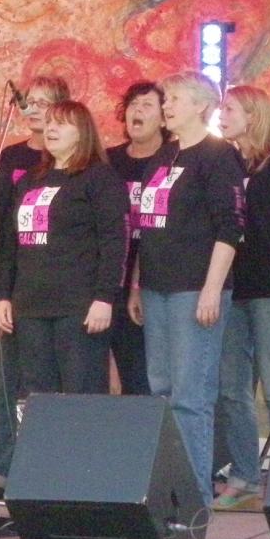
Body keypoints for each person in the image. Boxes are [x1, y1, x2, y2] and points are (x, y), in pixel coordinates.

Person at [134, 70, 245, 499]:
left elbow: (230, 226)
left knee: (190, 396)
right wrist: (136, 287)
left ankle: (195, 494)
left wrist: (212, 288)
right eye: (167, 98)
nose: (166, 105)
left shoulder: (218, 156)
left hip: (193, 290)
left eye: (175, 98)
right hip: (156, 288)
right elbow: (146, 228)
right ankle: (167, 491)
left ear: (202, 105)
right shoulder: (162, 158)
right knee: (161, 391)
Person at [213, 85, 270, 509]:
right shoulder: (226, 162)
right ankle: (245, 476)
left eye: (230, 108)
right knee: (232, 387)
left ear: (253, 114)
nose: (222, 114)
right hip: (233, 288)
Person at [0, 100, 126, 394]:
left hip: (78, 307)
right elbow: (10, 242)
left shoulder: (98, 177)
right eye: (50, 122)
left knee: (80, 395)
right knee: (37, 396)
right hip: (30, 306)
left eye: (62, 123)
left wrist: (105, 297)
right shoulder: (30, 180)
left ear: (82, 133)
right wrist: (3, 294)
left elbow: (114, 240)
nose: (51, 128)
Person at [0, 76, 69, 470]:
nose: (34, 109)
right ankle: (12, 465)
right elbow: (2, 228)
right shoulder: (10, 158)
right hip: (18, 282)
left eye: (45, 102)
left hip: (60, 287)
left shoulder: (71, 160)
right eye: (30, 102)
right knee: (16, 380)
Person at [105, 80, 166, 395]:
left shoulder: (173, 160)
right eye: (133, 105)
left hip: (157, 276)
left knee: (148, 372)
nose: (137, 111)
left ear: (164, 117)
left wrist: (139, 285)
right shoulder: (108, 161)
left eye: (147, 106)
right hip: (113, 274)